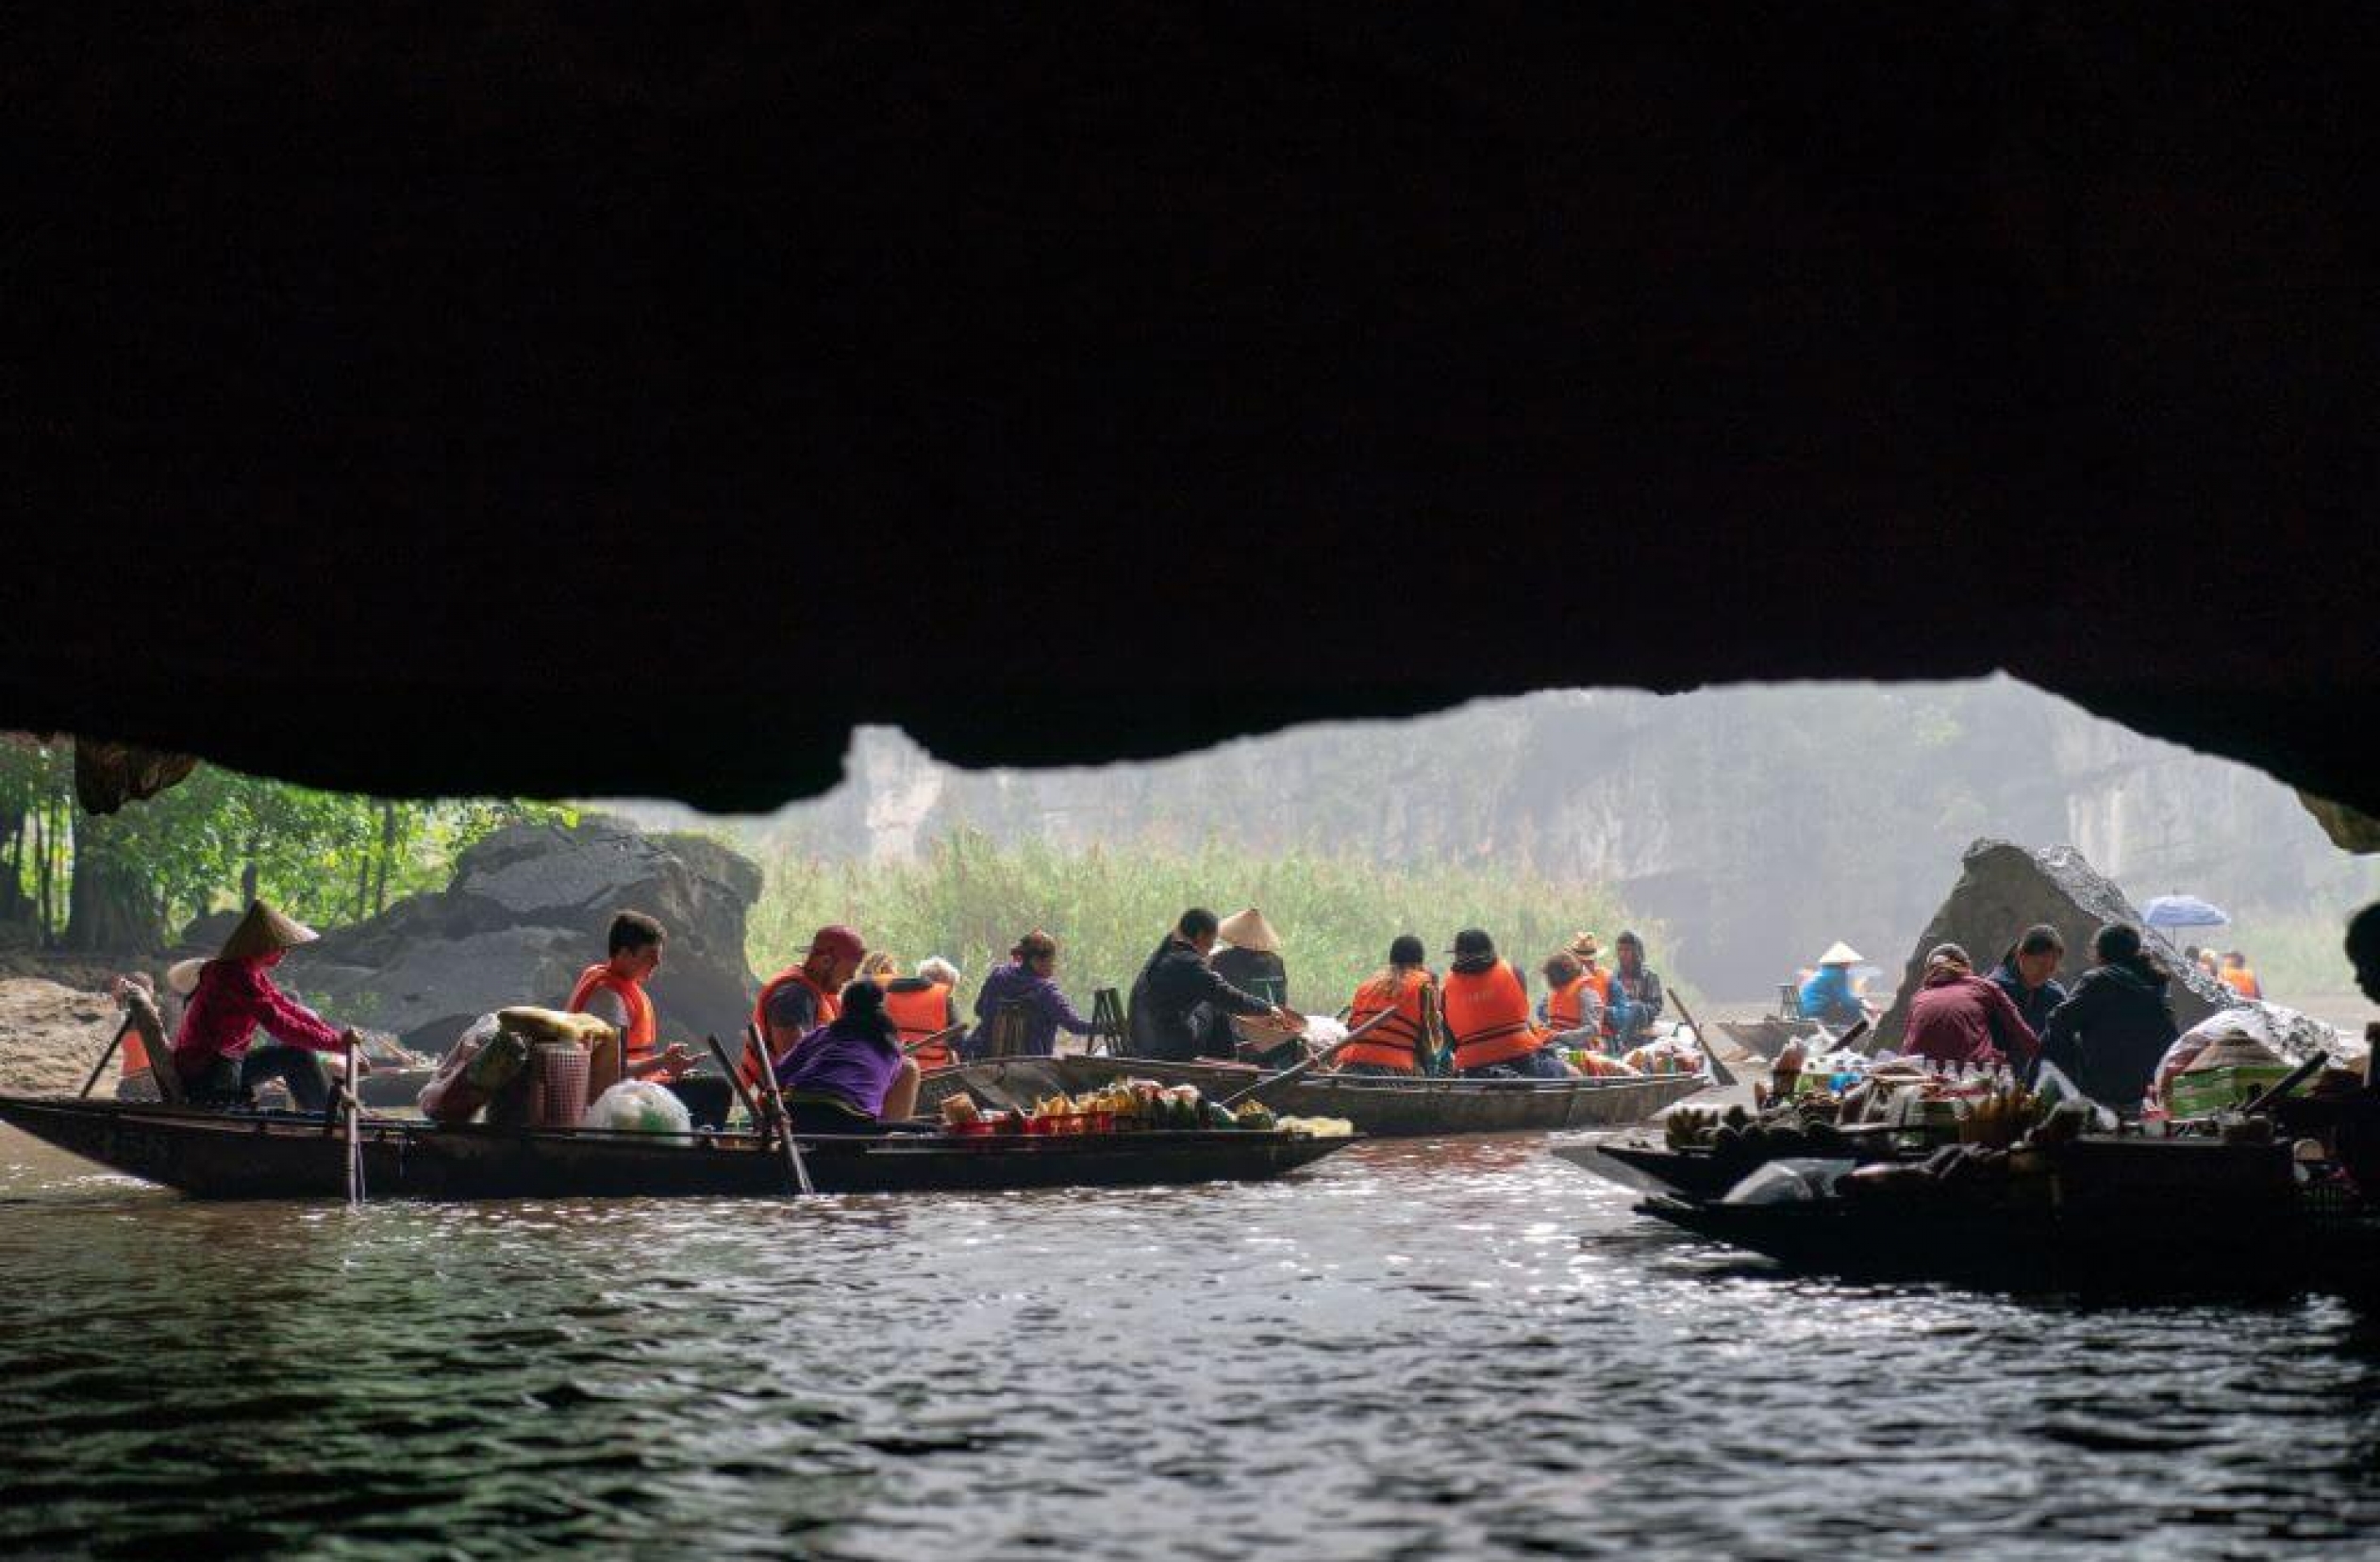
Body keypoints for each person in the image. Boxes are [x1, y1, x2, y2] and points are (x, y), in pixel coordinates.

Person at [168, 900, 365, 1114]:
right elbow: (279, 1024)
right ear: (261, 944)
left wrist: (338, 1039)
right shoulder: (233, 973)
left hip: (224, 1065)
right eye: (281, 945)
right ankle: (329, 1124)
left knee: (297, 1053)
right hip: (208, 1074)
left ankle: (327, 1121)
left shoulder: (249, 971)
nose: (285, 952)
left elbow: (287, 1008)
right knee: (296, 1055)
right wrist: (337, 1044)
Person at [564, 910, 714, 1119]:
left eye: (657, 958)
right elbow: (606, 1073)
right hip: (615, 1103)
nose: (656, 965)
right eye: (648, 957)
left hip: (630, 1089)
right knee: (714, 1091)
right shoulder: (609, 1000)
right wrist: (662, 1062)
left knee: (704, 1082)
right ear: (624, 954)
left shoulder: (615, 985)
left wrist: (666, 1067)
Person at [2038, 923, 2181, 1115]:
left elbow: (2058, 1022)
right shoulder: (2155, 982)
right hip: (2145, 1092)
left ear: (2101, 952)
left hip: (2102, 1092)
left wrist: (2070, 1070)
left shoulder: (2099, 980)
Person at [1125, 907, 1289, 1062]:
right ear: (1201, 935)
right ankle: (1226, 1067)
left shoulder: (1167, 951)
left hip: (1142, 1038)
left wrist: (1208, 975)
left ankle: (1224, 1060)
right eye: (1212, 939)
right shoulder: (1189, 963)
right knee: (1216, 1006)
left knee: (1210, 1002)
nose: (1213, 944)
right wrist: (1268, 1009)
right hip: (1165, 1047)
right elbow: (1229, 997)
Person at [770, 979, 923, 1134]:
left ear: (843, 1009)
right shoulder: (890, 1049)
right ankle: (886, 1142)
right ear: (883, 1011)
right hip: (848, 1120)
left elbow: (779, 1074)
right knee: (909, 1067)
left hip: (794, 1115)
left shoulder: (822, 1034)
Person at [1442, 928, 1573, 1078]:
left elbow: (1451, 1040)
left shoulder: (1446, 988)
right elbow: (1521, 1015)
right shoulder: (1513, 972)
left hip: (1475, 1065)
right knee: (1563, 1069)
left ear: (1459, 955)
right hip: (1520, 1057)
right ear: (1490, 949)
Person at [751, 925, 866, 1083]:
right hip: (789, 1101)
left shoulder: (817, 994)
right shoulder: (793, 997)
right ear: (826, 961)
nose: (852, 977)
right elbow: (794, 1064)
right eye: (849, 970)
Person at [1902, 943, 2039, 1072]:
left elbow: (1908, 1042)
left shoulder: (1919, 996)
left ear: (1930, 971)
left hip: (1918, 1075)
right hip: (1968, 1074)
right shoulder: (1984, 987)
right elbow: (2022, 1032)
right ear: (1967, 966)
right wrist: (2042, 1056)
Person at [964, 932, 1096, 1058]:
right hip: (1031, 1066)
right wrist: (1107, 1027)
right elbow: (1074, 1026)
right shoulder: (1046, 991)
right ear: (1035, 960)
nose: (1053, 965)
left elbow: (979, 1009)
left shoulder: (997, 976)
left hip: (985, 1058)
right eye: (1051, 960)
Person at [1339, 935, 1443, 1075]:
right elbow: (1432, 1042)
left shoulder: (1367, 985)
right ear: (1420, 963)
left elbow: (1351, 1027)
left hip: (1351, 1066)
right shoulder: (1423, 985)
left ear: (1391, 959)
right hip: (1394, 1070)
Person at [1986, 924, 2069, 1062]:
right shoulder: (1994, 988)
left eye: (2052, 968)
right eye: (2040, 964)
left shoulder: (2055, 995)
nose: (2045, 973)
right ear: (2021, 956)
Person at [885, 955, 966, 1067]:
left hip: (890, 1072)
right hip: (931, 1074)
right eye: (950, 988)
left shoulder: (889, 995)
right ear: (940, 982)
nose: (949, 993)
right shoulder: (943, 1000)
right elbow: (959, 1043)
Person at [1211, 908, 1289, 1005]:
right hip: (1270, 1016)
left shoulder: (1222, 959)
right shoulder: (1277, 962)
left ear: (1236, 934)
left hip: (1232, 1016)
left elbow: (1213, 995)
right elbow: (1281, 1001)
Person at [1608, 930, 1665, 1053]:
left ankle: (1621, 1046)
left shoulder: (1649, 976)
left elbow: (1656, 1006)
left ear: (1636, 952)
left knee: (1636, 1007)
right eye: (1620, 950)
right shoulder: (1613, 977)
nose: (1622, 954)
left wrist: (1634, 1007)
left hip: (1641, 1023)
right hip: (1618, 1021)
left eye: (1627, 950)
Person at [1538, 952, 1605, 1053]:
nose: (1549, 980)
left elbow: (1593, 1029)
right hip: (1557, 1044)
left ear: (1565, 971)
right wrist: (1543, 1031)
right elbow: (1554, 1024)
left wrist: (1559, 1036)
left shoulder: (1585, 992)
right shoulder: (1555, 993)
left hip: (1580, 1050)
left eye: (1551, 975)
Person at [1796, 941, 1868, 1031]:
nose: (1850, 964)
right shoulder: (1837, 973)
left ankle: (1843, 1033)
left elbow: (1840, 996)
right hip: (1817, 1011)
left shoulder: (1823, 971)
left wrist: (1857, 1002)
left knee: (1850, 1008)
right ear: (1842, 962)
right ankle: (1853, 1037)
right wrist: (1864, 1006)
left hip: (1804, 1010)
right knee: (1854, 1010)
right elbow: (1845, 1000)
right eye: (1848, 961)